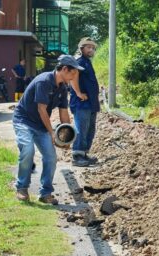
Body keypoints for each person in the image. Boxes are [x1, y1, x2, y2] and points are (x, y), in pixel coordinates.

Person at [13, 55, 84, 204]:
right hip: (24, 120)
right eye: (73, 73)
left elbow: (64, 112)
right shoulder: (44, 81)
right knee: (28, 150)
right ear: (64, 69)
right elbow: (41, 109)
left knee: (51, 157)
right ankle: (22, 188)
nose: (74, 76)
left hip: (40, 125)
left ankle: (45, 193)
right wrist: (51, 132)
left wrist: (67, 136)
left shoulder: (63, 88)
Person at [70, 37, 100, 167]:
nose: (91, 49)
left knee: (90, 128)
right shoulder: (79, 61)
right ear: (82, 48)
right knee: (81, 128)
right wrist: (78, 93)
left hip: (91, 103)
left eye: (93, 48)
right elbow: (73, 77)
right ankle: (77, 156)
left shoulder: (87, 62)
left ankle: (84, 153)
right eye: (88, 47)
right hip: (82, 103)